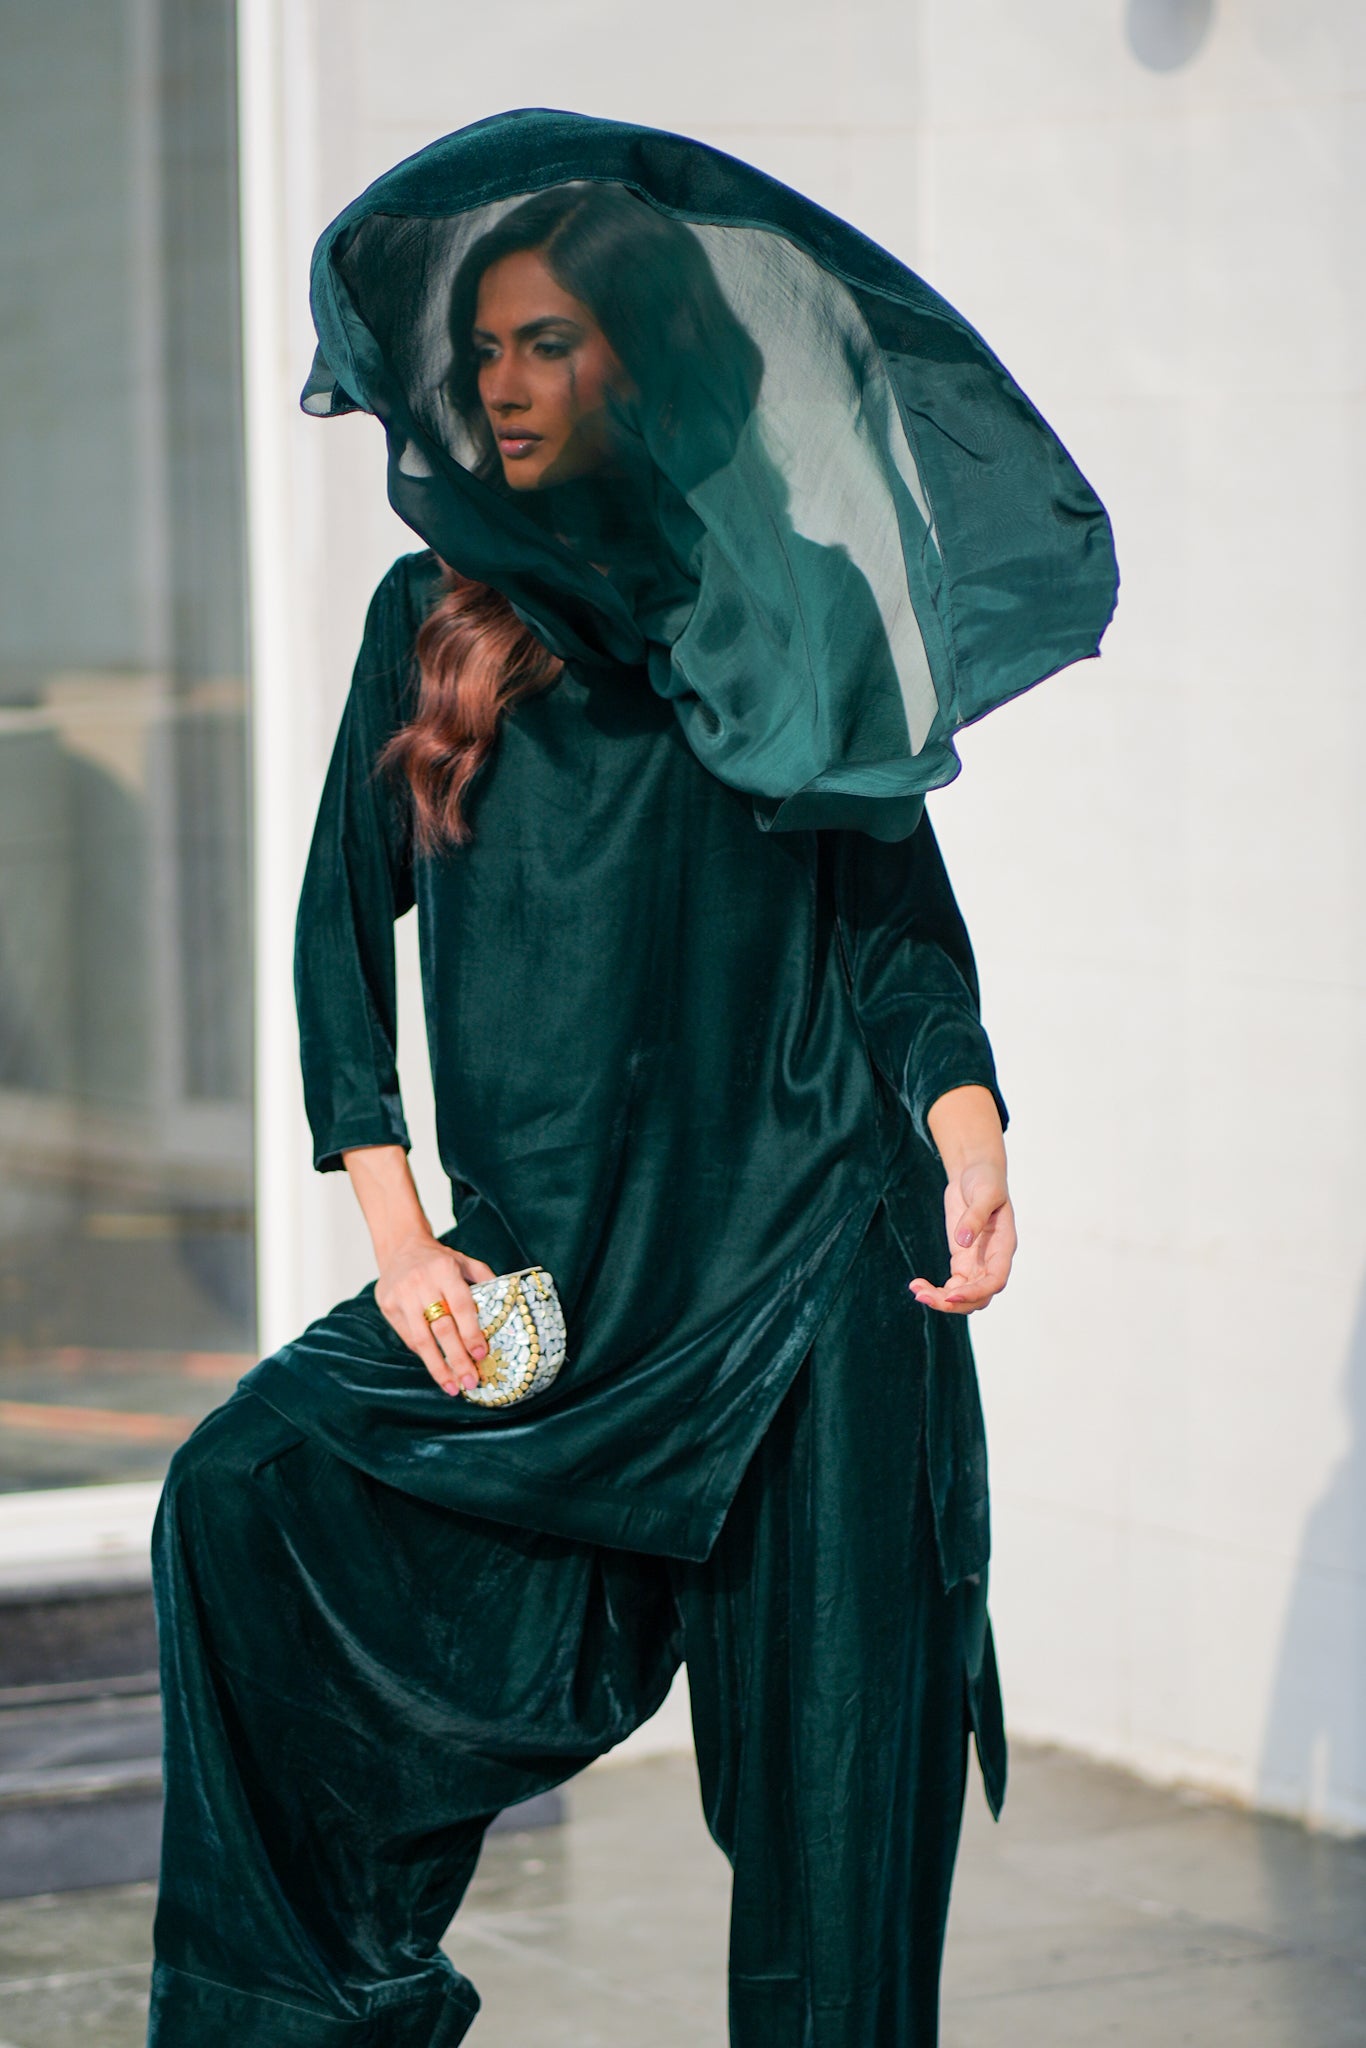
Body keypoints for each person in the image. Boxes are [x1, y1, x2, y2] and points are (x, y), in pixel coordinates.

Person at [144, 112, 1117, 2047]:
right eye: (482, 348)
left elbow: (892, 924)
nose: (502, 383)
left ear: (639, 359)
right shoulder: (432, 618)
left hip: (812, 1272)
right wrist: (401, 1239)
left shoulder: (792, 598)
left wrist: (970, 1133)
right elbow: (337, 939)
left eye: (548, 342)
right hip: (562, 1278)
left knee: (835, 1805)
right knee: (239, 1498)